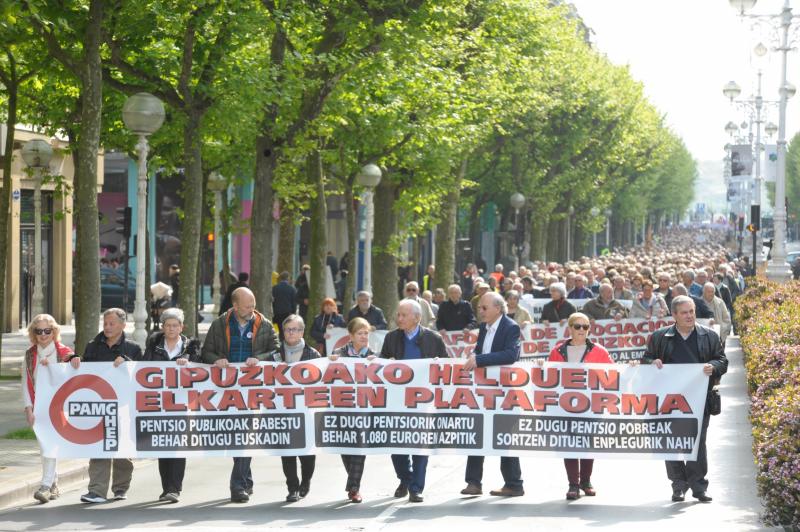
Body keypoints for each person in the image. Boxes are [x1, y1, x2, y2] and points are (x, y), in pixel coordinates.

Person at [642, 295, 728, 503]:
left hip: (699, 399)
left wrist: (714, 366)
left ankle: (699, 487)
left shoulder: (709, 335)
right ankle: (678, 486)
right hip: (668, 400)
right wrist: (653, 362)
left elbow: (722, 360)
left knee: (697, 443)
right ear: (674, 315)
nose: (689, 316)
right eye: (684, 313)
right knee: (671, 442)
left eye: (692, 312)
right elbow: (645, 359)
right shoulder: (659, 336)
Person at [201, 287, 279, 503]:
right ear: (235, 306)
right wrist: (216, 359)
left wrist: (259, 358)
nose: (252, 309)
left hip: (254, 389)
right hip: (228, 390)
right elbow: (206, 352)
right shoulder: (219, 324)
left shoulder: (263, 324)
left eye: (253, 304)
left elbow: (275, 351)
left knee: (246, 433)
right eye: (247, 306)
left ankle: (237, 486)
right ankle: (246, 480)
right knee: (237, 433)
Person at [380, 299, 447, 503]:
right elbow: (380, 365)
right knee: (397, 446)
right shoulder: (391, 338)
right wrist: (384, 363)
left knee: (420, 445)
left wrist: (439, 364)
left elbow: (447, 366)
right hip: (397, 400)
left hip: (423, 402)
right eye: (398, 315)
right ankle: (406, 478)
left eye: (403, 315)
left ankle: (416, 487)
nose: (398, 318)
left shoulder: (433, 338)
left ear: (417, 318)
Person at [76, 308, 143, 504]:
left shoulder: (133, 348)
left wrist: (128, 363)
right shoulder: (92, 346)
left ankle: (120, 487)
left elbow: (142, 374)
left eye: (111, 323)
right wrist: (75, 362)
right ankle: (96, 491)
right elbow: (83, 373)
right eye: (105, 323)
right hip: (99, 406)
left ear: (123, 325)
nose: (107, 327)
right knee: (99, 448)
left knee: (122, 449)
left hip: (123, 406)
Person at [460, 292, 523, 497]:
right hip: (483, 391)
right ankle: (473, 482)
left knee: (504, 435)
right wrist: (473, 355)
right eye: (479, 308)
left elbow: (510, 355)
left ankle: (514, 483)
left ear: (498, 308)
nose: (480, 311)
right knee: (478, 432)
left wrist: (480, 360)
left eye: (484, 308)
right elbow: (481, 351)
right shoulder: (484, 327)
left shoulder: (511, 327)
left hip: (503, 392)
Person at [546, 312, 613, 500]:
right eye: (578, 326)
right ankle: (573, 484)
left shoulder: (599, 351)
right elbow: (549, 376)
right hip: (565, 405)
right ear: (570, 328)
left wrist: (630, 366)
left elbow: (613, 374)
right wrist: (539, 366)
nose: (582, 330)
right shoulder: (558, 351)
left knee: (587, 444)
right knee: (568, 444)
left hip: (591, 405)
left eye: (586, 327)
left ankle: (586, 481)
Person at [143, 308, 201, 503]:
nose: (171, 328)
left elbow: (201, 366)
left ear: (181, 327)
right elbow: (143, 367)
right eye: (168, 325)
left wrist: (190, 361)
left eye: (175, 325)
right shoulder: (153, 344)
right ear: (162, 327)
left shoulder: (190, 345)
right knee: (163, 446)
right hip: (159, 404)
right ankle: (165, 487)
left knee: (178, 445)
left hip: (182, 403)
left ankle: (174, 488)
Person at [261, 315, 320, 502]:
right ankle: (292, 487)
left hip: (307, 414)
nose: (291, 333)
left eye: (294, 329)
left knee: (307, 455)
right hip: (283, 412)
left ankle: (306, 482)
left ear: (302, 332)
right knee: (287, 453)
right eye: (287, 329)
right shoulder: (273, 356)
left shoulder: (314, 356)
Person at [23, 314, 76, 504]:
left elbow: (71, 379)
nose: (43, 335)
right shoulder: (30, 354)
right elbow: (26, 382)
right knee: (44, 445)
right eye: (39, 331)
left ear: (54, 331)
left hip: (59, 407)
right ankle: (53, 484)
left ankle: (45, 485)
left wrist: (53, 367)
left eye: (47, 331)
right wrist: (28, 407)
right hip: (38, 406)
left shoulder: (65, 353)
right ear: (33, 333)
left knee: (49, 444)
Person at [329, 317, 377, 503]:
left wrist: (379, 363)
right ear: (351, 335)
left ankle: (354, 487)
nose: (364, 336)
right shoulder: (338, 353)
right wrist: (331, 362)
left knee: (359, 447)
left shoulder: (372, 355)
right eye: (360, 333)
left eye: (366, 333)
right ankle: (353, 480)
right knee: (346, 447)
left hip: (363, 409)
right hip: (342, 408)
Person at [272, 271, 297, 337]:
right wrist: (293, 313)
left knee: (280, 329)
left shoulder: (274, 288)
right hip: (287, 313)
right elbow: (294, 302)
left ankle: (281, 341)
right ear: (288, 278)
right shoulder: (292, 289)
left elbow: (272, 301)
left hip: (277, 313)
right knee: (287, 329)